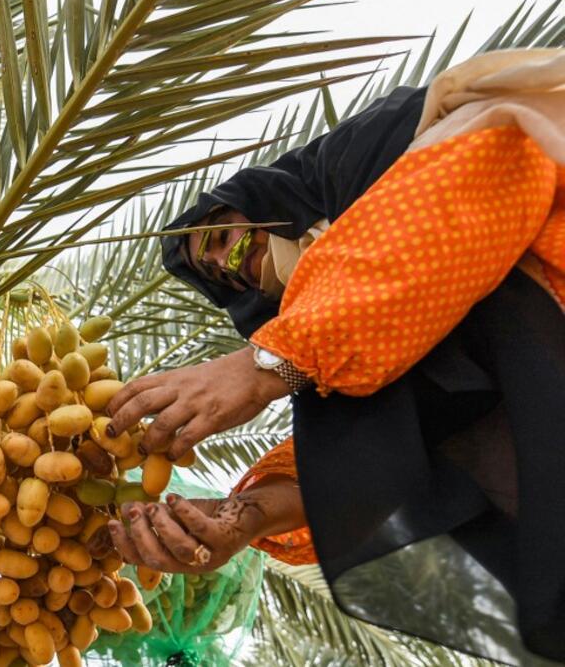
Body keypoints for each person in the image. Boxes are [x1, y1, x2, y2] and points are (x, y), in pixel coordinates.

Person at [107, 49, 565, 665]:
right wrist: (245, 518)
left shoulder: (459, 133)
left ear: (279, 200)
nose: (220, 261)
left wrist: (263, 365)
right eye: (216, 274)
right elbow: (373, 458)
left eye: (219, 237)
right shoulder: (361, 347)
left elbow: (462, 194)